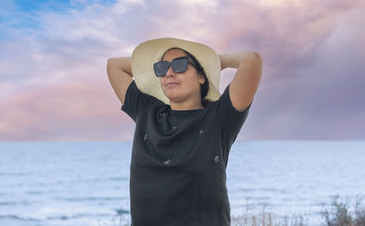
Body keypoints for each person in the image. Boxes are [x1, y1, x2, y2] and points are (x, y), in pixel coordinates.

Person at [106, 37, 262, 226]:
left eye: (180, 65)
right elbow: (113, 65)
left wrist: (214, 62)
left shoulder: (220, 117)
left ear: (201, 76)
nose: (169, 73)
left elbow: (252, 60)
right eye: (162, 68)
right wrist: (165, 69)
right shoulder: (147, 111)